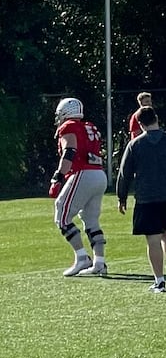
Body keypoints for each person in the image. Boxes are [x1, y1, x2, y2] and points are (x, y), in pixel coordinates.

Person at [115, 106, 166, 292]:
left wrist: (122, 197)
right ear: (157, 118)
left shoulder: (136, 144)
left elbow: (124, 174)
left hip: (147, 198)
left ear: (140, 124)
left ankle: (159, 280)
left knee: (153, 239)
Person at [49, 97, 109, 277]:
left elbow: (70, 151)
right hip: (99, 174)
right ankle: (99, 262)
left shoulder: (69, 127)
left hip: (83, 173)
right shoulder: (89, 126)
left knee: (62, 214)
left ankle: (82, 258)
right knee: (91, 220)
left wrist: (58, 177)